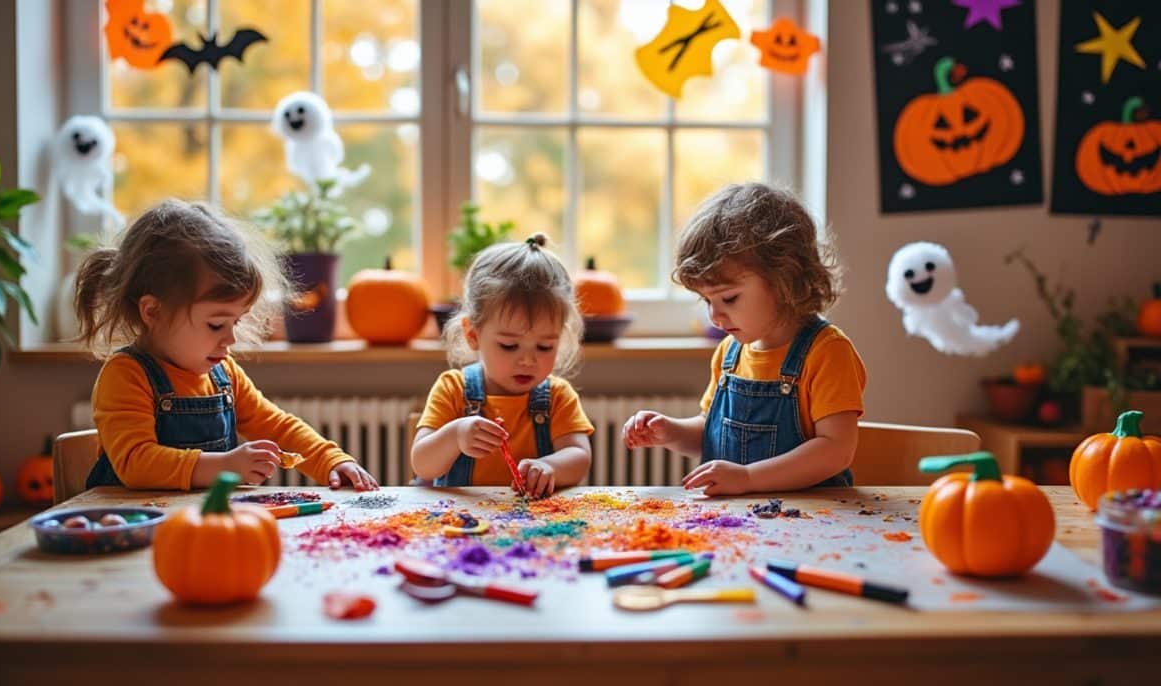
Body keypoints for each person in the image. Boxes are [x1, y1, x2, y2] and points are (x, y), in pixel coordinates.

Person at [74, 199, 378, 490]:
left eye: (237, 321)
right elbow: (136, 463)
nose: (230, 338)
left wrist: (330, 460)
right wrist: (224, 465)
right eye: (216, 324)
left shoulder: (224, 374)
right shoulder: (127, 375)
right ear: (154, 311)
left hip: (207, 526)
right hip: (134, 531)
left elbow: (275, 425)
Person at [623, 183, 866, 495]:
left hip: (811, 524)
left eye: (730, 298)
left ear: (784, 280)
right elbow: (709, 432)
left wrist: (749, 478)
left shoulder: (828, 353)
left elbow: (835, 451)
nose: (715, 316)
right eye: (706, 301)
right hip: (738, 525)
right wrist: (669, 431)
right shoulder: (730, 353)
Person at [411, 234, 593, 498]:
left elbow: (580, 457)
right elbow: (422, 465)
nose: (528, 360)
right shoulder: (453, 389)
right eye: (509, 345)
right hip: (461, 526)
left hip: (535, 527)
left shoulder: (557, 397)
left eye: (544, 347)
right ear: (473, 335)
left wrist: (549, 466)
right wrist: (455, 436)